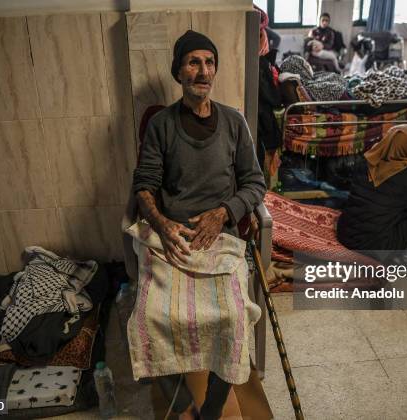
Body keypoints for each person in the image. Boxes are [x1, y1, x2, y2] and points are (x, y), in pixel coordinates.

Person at [131, 30, 266, 420]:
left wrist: (224, 212)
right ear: (178, 72)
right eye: (193, 62)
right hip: (173, 236)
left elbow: (255, 182)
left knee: (234, 317)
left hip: (220, 237)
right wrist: (161, 222)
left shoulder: (234, 122)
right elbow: (144, 186)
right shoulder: (161, 125)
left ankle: (211, 410)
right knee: (148, 318)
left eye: (209, 62)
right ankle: (181, 403)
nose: (202, 70)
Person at [336, 124, 407, 253]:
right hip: (375, 245)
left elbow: (387, 174)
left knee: (392, 205)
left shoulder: (364, 162)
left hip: (345, 234)